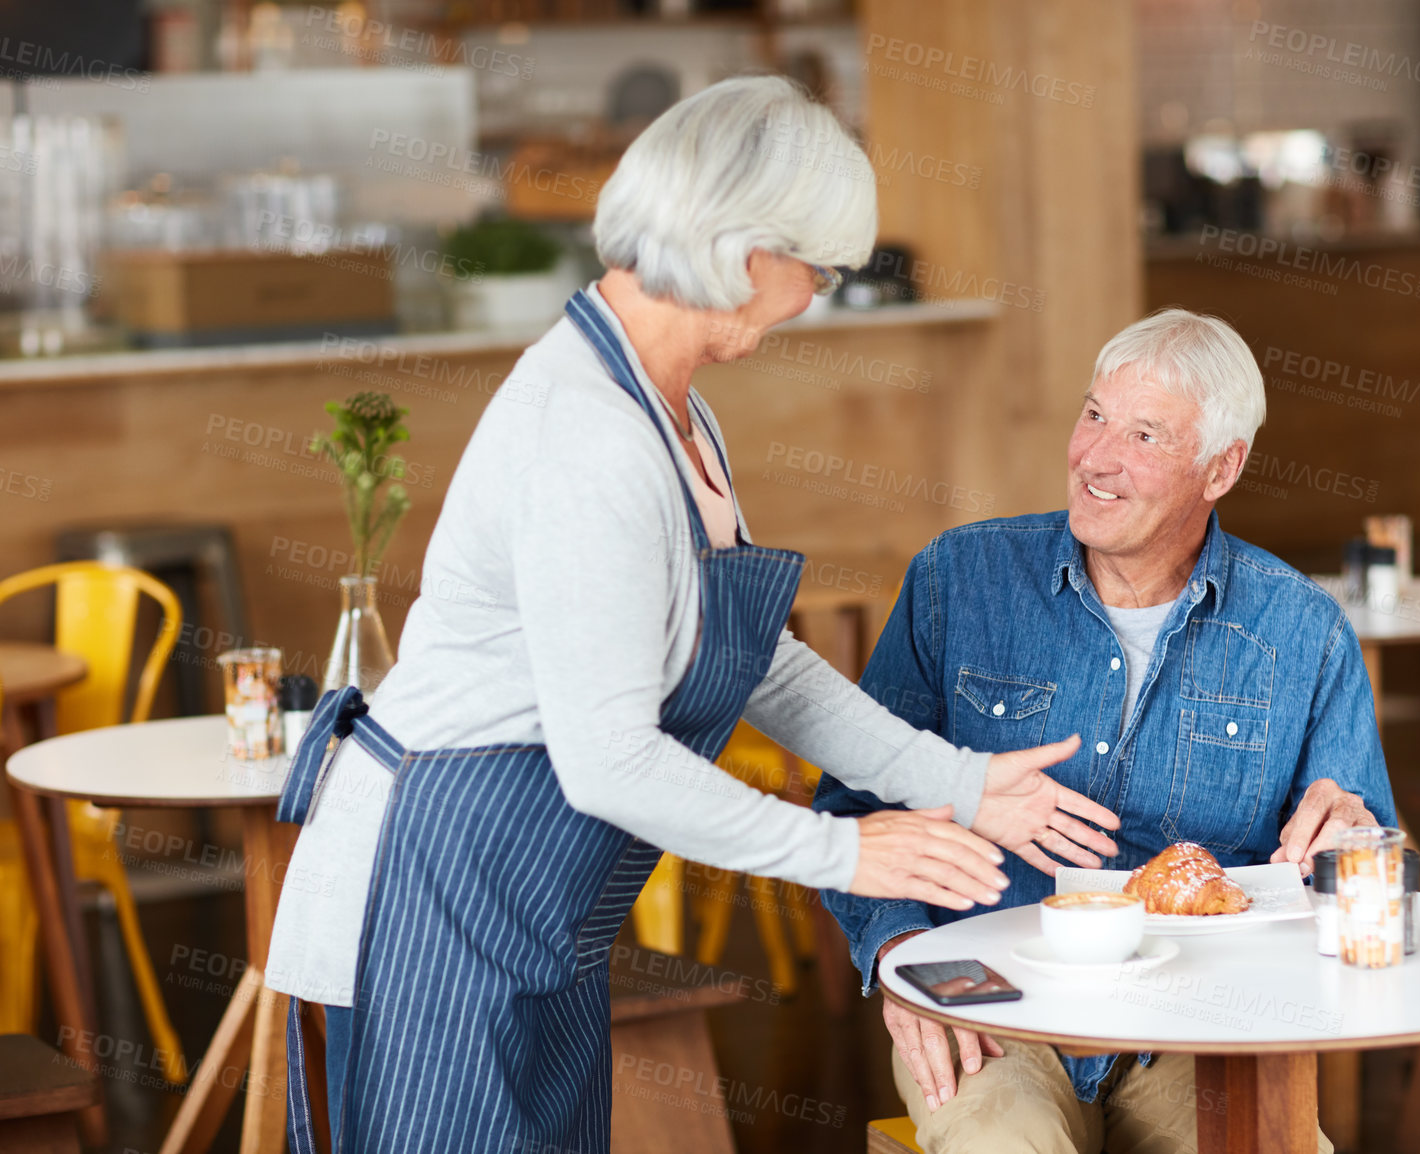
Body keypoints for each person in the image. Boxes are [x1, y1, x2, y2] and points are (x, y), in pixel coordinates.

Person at [262, 76, 1113, 1154]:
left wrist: (956, 780)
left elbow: (758, 661)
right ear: (747, 251)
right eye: (817, 267)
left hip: (534, 905)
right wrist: (845, 852)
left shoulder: (671, 413)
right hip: (434, 891)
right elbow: (610, 762)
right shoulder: (588, 437)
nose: (813, 296)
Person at [815, 308, 1397, 1154]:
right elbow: (855, 803)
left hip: (1204, 1021)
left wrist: (1352, 839)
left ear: (1221, 468)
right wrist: (905, 958)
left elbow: (1362, 853)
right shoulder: (960, 579)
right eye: (1094, 415)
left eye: (1145, 435)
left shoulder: (1302, 630)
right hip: (989, 1003)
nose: (1095, 458)